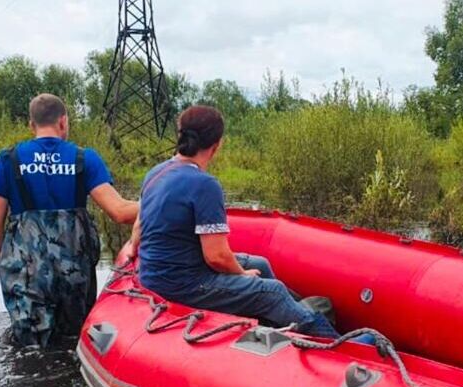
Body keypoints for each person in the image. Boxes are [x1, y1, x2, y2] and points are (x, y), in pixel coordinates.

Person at [123, 105, 340, 338]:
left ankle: (289, 319)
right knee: (273, 291)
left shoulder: (156, 172)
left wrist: (131, 249)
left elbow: (138, 227)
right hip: (182, 284)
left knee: (261, 263)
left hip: (158, 274)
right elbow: (216, 257)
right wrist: (241, 275)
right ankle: (337, 344)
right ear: (216, 145)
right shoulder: (205, 185)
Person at [0, 93, 138, 347]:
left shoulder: (7, 161)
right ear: (63, 121)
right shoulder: (84, 158)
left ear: (31, 125)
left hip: (26, 274)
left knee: (30, 352)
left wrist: (13, 264)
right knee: (72, 346)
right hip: (74, 273)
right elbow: (119, 211)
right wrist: (163, 203)